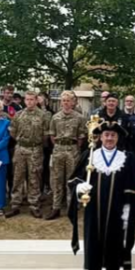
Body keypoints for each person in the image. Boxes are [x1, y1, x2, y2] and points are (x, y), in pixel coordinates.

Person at [70, 121, 135, 270]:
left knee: (112, 259)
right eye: (106, 135)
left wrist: (128, 215)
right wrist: (78, 188)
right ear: (100, 137)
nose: (109, 138)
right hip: (94, 216)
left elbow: (133, 189)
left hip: (117, 218)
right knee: (93, 258)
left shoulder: (127, 159)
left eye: (113, 136)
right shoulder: (90, 156)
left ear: (118, 138)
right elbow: (74, 179)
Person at [6, 91, 50, 219]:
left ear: (37, 100)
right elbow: (13, 132)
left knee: (34, 178)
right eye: (27, 99)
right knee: (17, 177)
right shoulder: (18, 115)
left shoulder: (43, 116)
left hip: (35, 149)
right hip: (20, 149)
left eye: (32, 99)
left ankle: (34, 205)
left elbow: (45, 135)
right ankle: (15, 204)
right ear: (24, 101)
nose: (29, 102)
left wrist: (34, 142)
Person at [48, 90, 86, 220]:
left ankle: (72, 207)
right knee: (56, 179)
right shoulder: (55, 117)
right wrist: (59, 146)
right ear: (61, 102)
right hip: (58, 149)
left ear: (73, 102)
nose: (66, 103)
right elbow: (52, 135)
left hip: (72, 150)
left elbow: (81, 137)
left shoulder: (79, 117)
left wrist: (74, 147)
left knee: (71, 180)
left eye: (68, 100)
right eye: (63, 100)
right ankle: (56, 207)